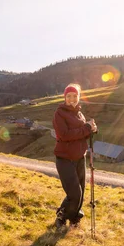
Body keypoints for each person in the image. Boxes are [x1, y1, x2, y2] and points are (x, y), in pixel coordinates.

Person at [52, 83, 98, 229]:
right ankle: (62, 216)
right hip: (64, 158)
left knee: (81, 193)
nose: (72, 99)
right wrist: (86, 128)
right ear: (64, 97)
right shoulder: (59, 114)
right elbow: (64, 135)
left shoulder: (79, 114)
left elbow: (82, 134)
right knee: (75, 193)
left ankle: (74, 219)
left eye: (75, 96)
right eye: (69, 96)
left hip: (80, 157)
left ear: (78, 97)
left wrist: (92, 130)